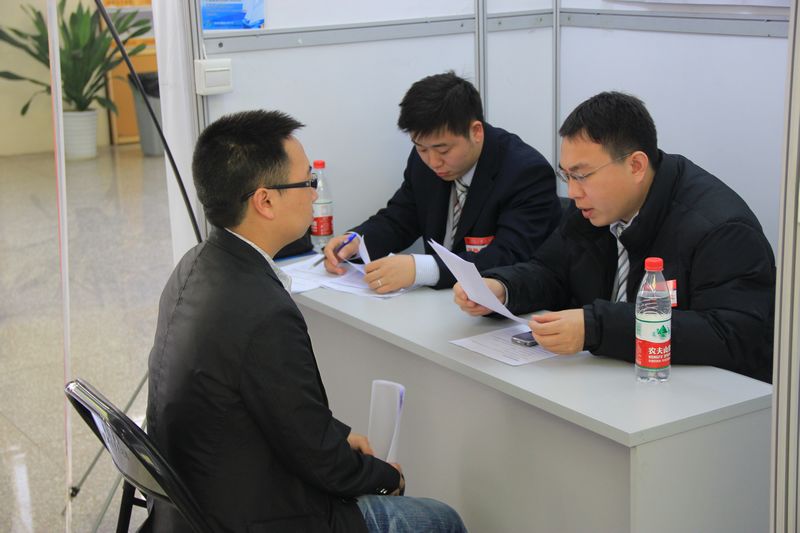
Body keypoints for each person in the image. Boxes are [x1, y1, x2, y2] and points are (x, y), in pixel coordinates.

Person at [145, 110, 467, 532]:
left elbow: (285, 416)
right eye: (306, 183)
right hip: (255, 515)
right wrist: (388, 479)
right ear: (265, 201)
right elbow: (322, 462)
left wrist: (337, 437)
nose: (315, 195)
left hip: (199, 499)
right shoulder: (262, 312)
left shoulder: (197, 264)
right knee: (442, 520)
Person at [453, 91, 775, 383]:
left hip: (702, 401)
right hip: (612, 384)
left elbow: (731, 335)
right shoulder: (593, 208)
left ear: (636, 166)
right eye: (566, 175)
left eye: (582, 175)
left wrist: (597, 328)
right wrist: (503, 288)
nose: (572, 192)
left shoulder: (720, 229)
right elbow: (551, 271)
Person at [323, 71, 561, 293]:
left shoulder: (525, 173)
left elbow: (508, 257)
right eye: (421, 148)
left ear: (476, 132)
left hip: (501, 309)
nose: (433, 161)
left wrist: (421, 269)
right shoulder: (424, 160)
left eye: (443, 150)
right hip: (440, 302)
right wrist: (357, 241)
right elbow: (400, 218)